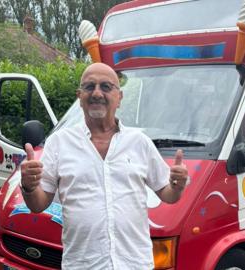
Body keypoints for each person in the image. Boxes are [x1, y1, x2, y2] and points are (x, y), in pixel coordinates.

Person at [19, 63, 188, 269]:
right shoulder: (59, 143)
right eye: (90, 87)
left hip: (135, 264)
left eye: (106, 87)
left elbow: (167, 194)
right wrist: (28, 186)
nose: (97, 93)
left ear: (120, 97)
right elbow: (38, 205)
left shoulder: (139, 142)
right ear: (79, 96)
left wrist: (177, 187)